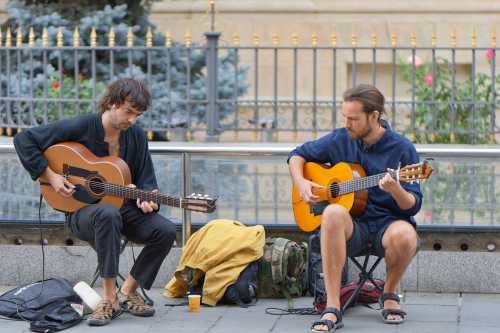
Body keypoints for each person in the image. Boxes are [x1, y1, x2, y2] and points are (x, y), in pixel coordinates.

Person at [14, 78, 177, 326]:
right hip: (81, 213)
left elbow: (146, 182)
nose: (132, 120)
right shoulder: (82, 126)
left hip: (124, 210)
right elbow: (24, 139)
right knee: (107, 213)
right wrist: (52, 176)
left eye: (138, 115)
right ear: (112, 103)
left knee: (165, 230)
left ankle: (128, 291)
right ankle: (108, 298)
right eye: (128, 112)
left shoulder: (136, 137)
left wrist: (148, 200)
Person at [288, 84, 422, 332]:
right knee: (332, 212)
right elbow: (297, 155)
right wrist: (302, 183)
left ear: (374, 116)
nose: (347, 123)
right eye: (345, 118)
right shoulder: (341, 138)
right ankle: (332, 306)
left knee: (406, 234)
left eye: (353, 119)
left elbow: (412, 206)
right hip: (351, 229)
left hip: (387, 226)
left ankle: (389, 293)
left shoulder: (403, 148)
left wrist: (395, 189)